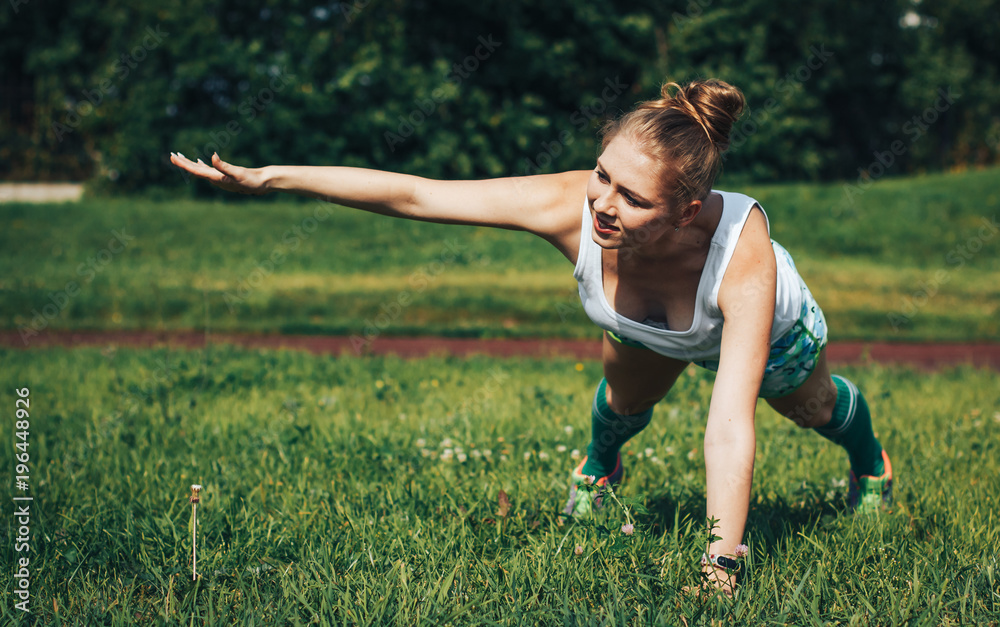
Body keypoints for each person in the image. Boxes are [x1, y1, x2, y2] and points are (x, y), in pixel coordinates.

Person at [169, 77, 892, 596]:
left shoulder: (744, 255)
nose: (601, 204)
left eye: (631, 197)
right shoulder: (568, 204)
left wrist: (719, 565)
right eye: (602, 176)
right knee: (622, 401)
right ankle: (598, 472)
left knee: (812, 407)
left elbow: (729, 422)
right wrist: (274, 178)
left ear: (686, 210)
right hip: (648, 326)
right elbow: (419, 193)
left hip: (771, 335)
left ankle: (872, 466)